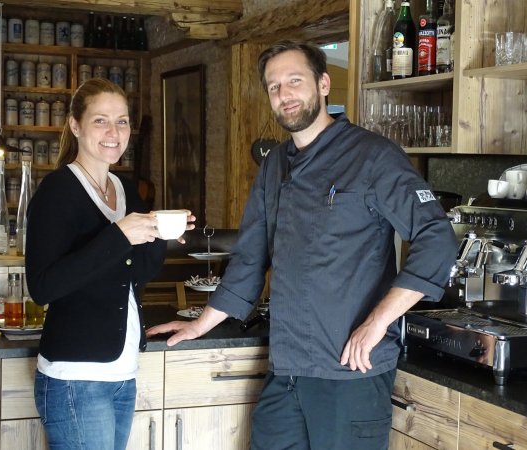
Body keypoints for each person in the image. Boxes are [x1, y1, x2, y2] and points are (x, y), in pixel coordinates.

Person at [147, 41, 457, 449]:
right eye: (274, 87)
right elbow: (250, 258)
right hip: (287, 370)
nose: (284, 94)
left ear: (324, 83)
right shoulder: (275, 164)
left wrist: (377, 322)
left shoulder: (373, 157)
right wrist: (200, 324)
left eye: (294, 81)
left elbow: (437, 238)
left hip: (349, 375)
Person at [25, 78, 194, 450]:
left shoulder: (125, 189)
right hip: (76, 377)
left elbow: (137, 274)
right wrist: (119, 235)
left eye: (122, 121)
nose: (114, 132)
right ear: (75, 125)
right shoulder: (57, 192)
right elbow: (42, 287)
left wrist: (159, 235)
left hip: (123, 372)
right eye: (101, 120)